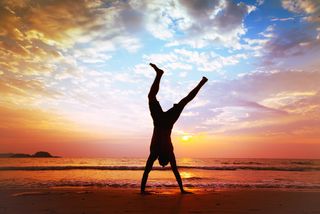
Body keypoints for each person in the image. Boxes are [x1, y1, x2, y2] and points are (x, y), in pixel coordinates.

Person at [141, 63, 208, 194]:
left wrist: (182, 190)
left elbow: (175, 171)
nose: (158, 162)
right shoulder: (156, 151)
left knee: (185, 101)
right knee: (152, 97)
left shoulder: (167, 152)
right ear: (160, 158)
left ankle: (201, 83)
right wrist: (182, 190)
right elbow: (147, 171)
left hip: (166, 122)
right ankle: (159, 75)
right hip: (160, 121)